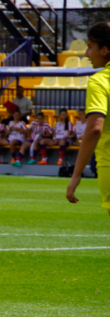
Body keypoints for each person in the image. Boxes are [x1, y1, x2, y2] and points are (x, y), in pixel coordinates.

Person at [67, 21, 110, 215]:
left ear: (104, 50)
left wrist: (76, 175)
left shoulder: (100, 81)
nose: (86, 54)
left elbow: (94, 129)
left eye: (90, 47)